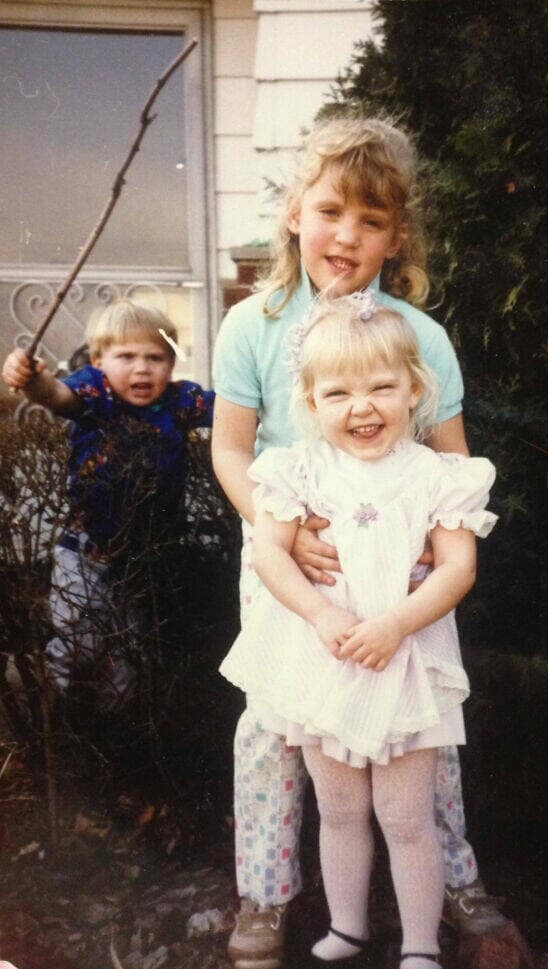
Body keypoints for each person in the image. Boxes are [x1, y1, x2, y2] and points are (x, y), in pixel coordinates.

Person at [211, 115, 507, 968]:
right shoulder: (255, 325)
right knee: (276, 724)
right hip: (283, 553)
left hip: (396, 568)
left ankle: (453, 879)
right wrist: (284, 533)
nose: (347, 235)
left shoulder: (422, 338)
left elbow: (453, 462)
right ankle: (265, 894)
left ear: (397, 235)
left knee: (417, 723)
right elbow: (232, 446)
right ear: (296, 212)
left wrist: (425, 553)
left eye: (371, 220)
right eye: (333, 210)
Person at [1, 299, 214, 708]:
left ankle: (114, 723)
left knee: (131, 645)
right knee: (78, 635)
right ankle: (57, 710)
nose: (142, 368)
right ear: (99, 361)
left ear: (172, 364)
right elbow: (56, 396)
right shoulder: (96, 394)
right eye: (126, 356)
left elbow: (235, 411)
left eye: (156, 358)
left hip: (149, 553)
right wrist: (31, 381)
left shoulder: (180, 401)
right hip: (87, 551)